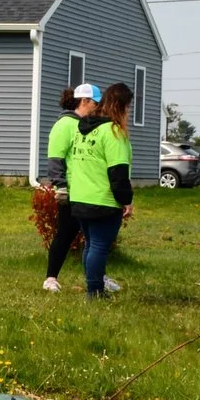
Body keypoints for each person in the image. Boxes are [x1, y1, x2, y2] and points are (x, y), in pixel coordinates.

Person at [67, 82, 136, 297]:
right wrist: (126, 199)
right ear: (122, 106)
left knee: (91, 244)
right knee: (98, 246)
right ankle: (94, 291)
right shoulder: (113, 132)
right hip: (102, 199)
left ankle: (93, 286)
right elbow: (118, 171)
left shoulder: (84, 130)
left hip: (79, 196)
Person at [41, 83, 101, 292]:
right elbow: (55, 158)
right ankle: (50, 278)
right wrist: (61, 186)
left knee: (95, 237)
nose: (98, 107)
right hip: (71, 191)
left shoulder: (89, 125)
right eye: (96, 103)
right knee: (65, 234)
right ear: (84, 101)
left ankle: (97, 277)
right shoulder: (65, 124)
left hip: (89, 190)